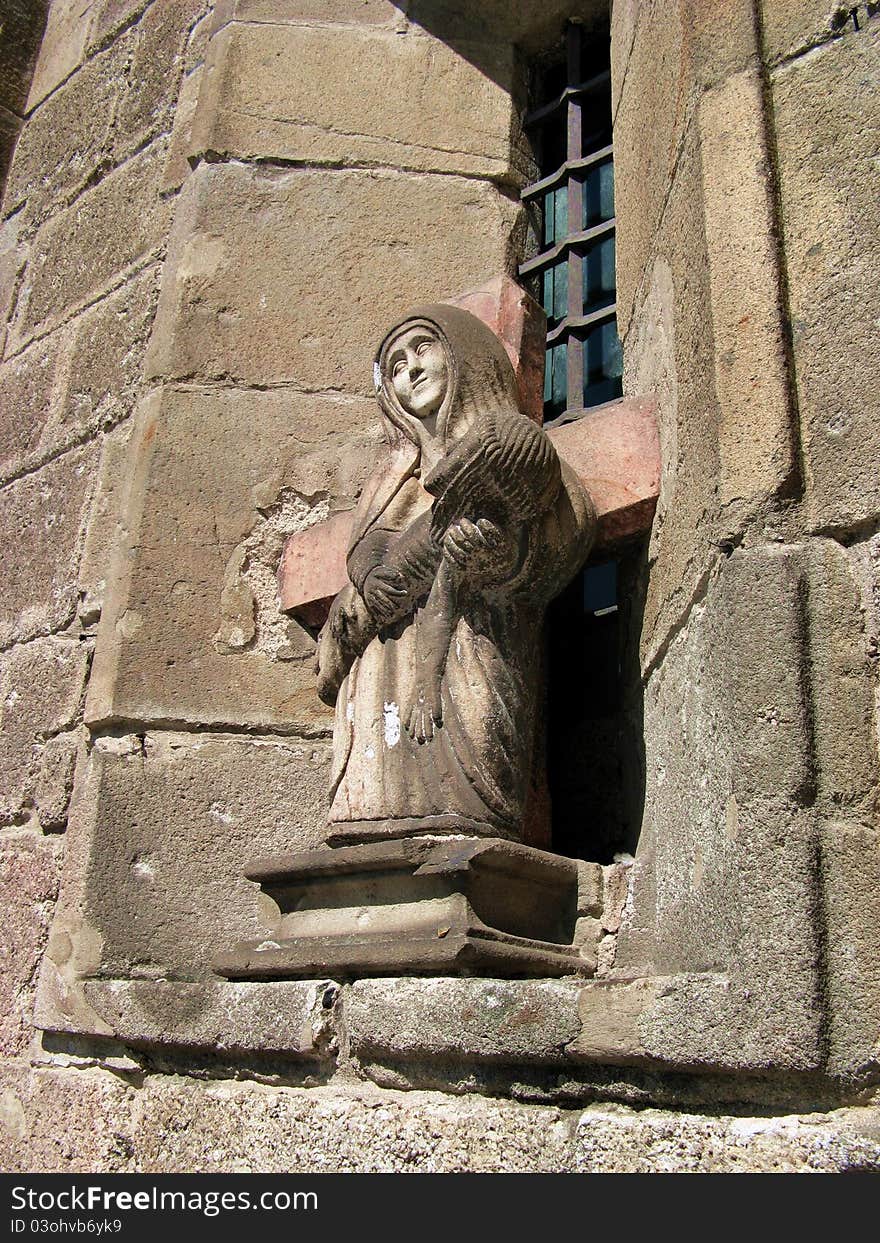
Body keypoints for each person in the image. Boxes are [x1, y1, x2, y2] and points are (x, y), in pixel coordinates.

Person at [315, 303, 595, 845]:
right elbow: (365, 559)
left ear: (464, 358)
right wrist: (371, 588)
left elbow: (568, 529)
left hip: (473, 646)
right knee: (373, 805)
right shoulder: (390, 479)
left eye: (423, 350)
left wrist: (503, 555)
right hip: (379, 672)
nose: (410, 371)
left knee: (468, 779)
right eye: (395, 366)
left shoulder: (511, 444)